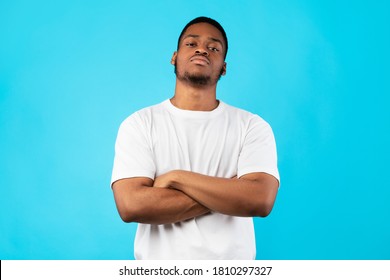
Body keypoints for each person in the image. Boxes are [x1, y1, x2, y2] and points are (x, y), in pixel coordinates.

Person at [111, 16, 280, 260]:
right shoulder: (139, 124)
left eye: (214, 48)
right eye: (191, 44)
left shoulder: (251, 126)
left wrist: (176, 178)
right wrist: (231, 191)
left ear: (223, 67)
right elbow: (131, 206)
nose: (202, 49)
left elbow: (260, 200)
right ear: (174, 57)